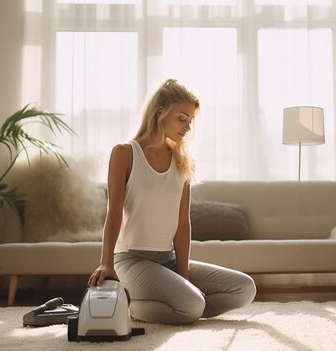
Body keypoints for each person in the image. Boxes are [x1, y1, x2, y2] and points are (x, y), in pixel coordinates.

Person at [87, 79, 256, 325]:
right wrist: (106, 263)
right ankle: (133, 306)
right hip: (131, 260)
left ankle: (183, 306)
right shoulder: (124, 153)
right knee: (192, 304)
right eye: (182, 118)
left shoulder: (183, 161)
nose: (187, 127)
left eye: (190, 121)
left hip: (169, 260)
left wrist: (184, 275)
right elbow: (113, 212)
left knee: (244, 288)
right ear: (160, 112)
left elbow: (182, 223)